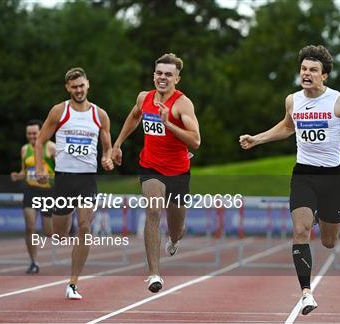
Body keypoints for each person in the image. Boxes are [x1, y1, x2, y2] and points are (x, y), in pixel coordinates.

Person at [239, 45, 340, 315]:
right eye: (304, 69)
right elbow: (287, 126)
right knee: (301, 230)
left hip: (331, 177)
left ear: (324, 75)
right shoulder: (293, 100)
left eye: (313, 70)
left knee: (329, 242)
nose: (307, 74)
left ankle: (322, 216)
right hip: (304, 174)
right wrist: (256, 139)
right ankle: (306, 293)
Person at [111, 53, 200, 293]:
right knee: (152, 211)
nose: (162, 78)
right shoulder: (144, 98)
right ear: (153, 75)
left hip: (178, 171)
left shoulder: (183, 104)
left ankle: (174, 240)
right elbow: (134, 116)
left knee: (176, 229)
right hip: (151, 167)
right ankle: (154, 274)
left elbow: (196, 140)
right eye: (159, 73)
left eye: (168, 75)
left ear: (177, 79)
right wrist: (117, 144)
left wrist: (169, 123)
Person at [35, 67, 114, 299]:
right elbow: (40, 142)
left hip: (87, 179)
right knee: (59, 234)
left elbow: (107, 145)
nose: (78, 90)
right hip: (64, 179)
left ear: (88, 84)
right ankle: (56, 218)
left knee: (85, 227)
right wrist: (40, 168)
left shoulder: (100, 115)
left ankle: (73, 283)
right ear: (67, 88)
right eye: (74, 87)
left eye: (81, 86)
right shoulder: (60, 111)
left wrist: (106, 158)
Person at [10, 119, 55, 274]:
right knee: (29, 226)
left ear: (42, 132)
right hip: (30, 190)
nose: (32, 136)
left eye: (34, 133)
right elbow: (25, 170)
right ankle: (33, 262)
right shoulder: (25, 149)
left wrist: (50, 178)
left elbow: (61, 173)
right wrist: (18, 175)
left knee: (49, 232)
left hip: (48, 192)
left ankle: (68, 226)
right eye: (29, 134)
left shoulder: (51, 147)